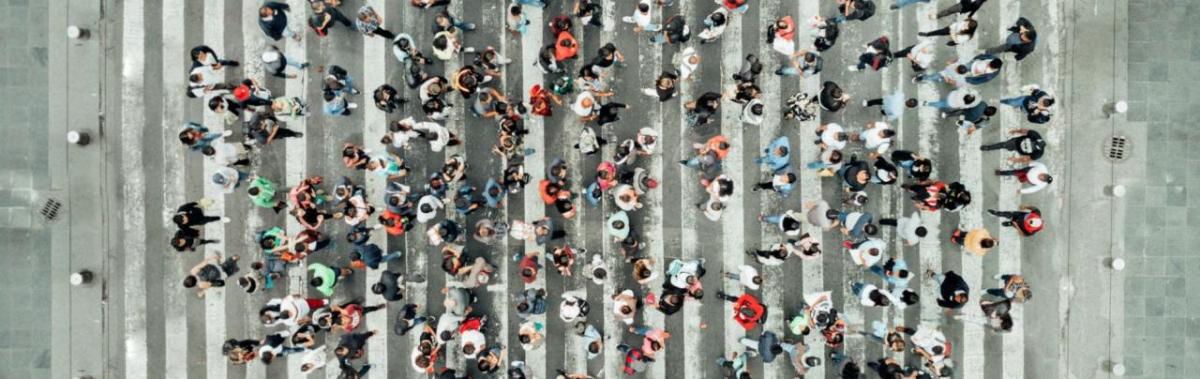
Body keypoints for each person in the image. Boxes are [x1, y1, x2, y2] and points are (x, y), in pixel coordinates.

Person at [981, 128, 1045, 163]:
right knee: (1004, 145)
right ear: (1037, 140)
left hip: (1021, 151)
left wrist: (1015, 159)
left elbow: (1027, 159)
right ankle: (988, 148)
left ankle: (1011, 148)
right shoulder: (1035, 135)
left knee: (1007, 147)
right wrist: (1015, 131)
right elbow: (1024, 130)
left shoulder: (1039, 154)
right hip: (1016, 142)